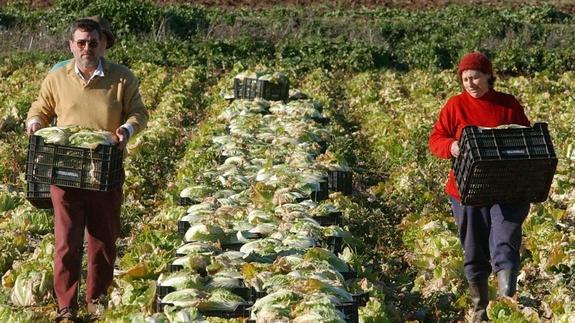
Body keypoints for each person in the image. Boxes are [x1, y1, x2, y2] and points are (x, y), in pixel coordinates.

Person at [26, 18, 148, 322]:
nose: (86, 48)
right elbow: (41, 107)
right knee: (66, 242)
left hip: (103, 171)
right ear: (71, 45)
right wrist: (35, 123)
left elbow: (138, 112)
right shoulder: (58, 76)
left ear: (103, 43)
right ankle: (66, 306)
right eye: (80, 42)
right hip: (65, 169)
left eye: (92, 42)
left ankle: (97, 302)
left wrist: (127, 129)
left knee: (103, 241)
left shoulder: (122, 78)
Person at [428, 52, 531, 322]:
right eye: (465, 79)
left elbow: (525, 138)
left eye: (475, 77)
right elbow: (436, 138)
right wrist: (451, 146)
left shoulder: (507, 105)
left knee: (506, 240)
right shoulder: (455, 106)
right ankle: (480, 308)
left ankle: (505, 306)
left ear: (488, 76)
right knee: (474, 248)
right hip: (467, 189)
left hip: (506, 187)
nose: (470, 83)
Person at [50, 16, 115, 72]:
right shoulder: (59, 70)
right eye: (81, 42)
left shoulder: (118, 74)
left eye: (94, 42)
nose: (88, 47)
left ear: (107, 43)